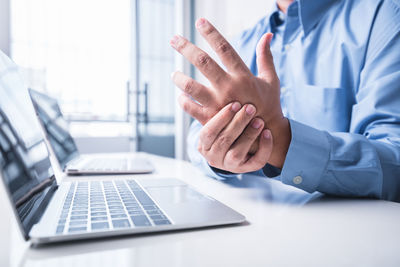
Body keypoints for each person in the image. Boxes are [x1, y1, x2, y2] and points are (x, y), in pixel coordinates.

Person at [170, 0, 400, 202]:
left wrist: (283, 143)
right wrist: (221, 150)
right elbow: (197, 138)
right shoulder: (243, 42)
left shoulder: (385, 17)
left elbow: (395, 162)